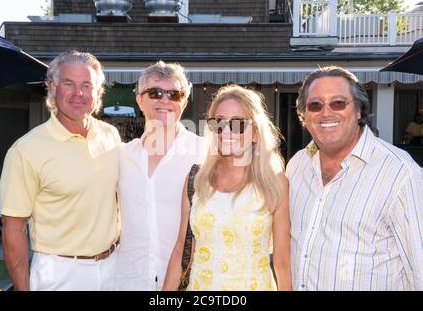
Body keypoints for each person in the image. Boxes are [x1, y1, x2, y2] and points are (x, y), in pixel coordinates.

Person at [286, 66, 423, 291]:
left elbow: (419, 265)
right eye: (315, 105)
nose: (326, 113)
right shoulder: (297, 166)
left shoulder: (400, 172)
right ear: (304, 115)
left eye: (338, 103)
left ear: (359, 110)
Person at [0, 51, 121, 291]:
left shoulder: (110, 135)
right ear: (53, 88)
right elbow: (13, 230)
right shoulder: (26, 150)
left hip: (114, 267)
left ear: (97, 93)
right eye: (69, 84)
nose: (78, 93)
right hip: (60, 274)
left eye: (87, 85)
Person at [163, 84, 292, 291]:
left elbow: (282, 263)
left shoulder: (275, 184)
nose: (226, 131)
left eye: (238, 124)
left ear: (255, 134)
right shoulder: (196, 179)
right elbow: (181, 252)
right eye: (219, 123)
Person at [115, 61, 207, 290]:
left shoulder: (204, 153)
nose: (165, 100)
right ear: (140, 100)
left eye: (174, 94)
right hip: (127, 279)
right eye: (155, 93)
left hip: (188, 281)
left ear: (184, 103)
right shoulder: (121, 156)